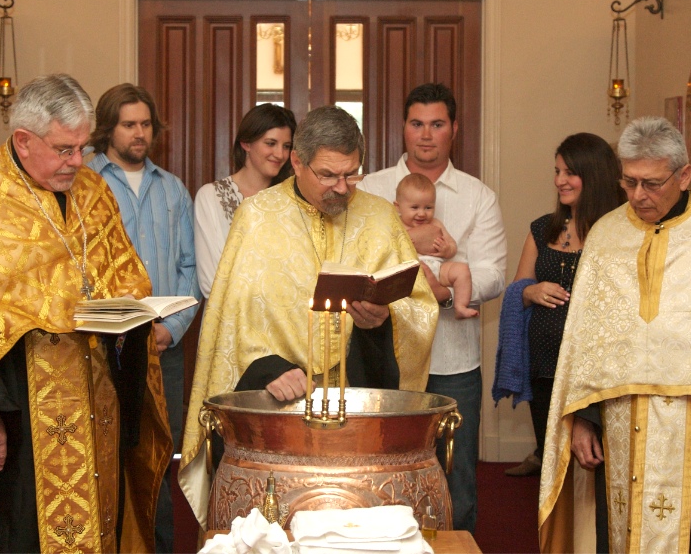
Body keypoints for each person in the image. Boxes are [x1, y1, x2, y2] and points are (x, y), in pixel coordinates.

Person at [0, 74, 171, 553]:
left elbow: (123, 271)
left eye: (83, 148)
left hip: (96, 398)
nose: (78, 162)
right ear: (24, 141)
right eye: (65, 149)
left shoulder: (92, 191)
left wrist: (130, 311)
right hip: (20, 409)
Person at [179, 105, 439, 527]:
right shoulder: (257, 216)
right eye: (328, 175)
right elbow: (232, 321)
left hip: (360, 411)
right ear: (297, 162)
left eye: (352, 174)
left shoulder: (380, 216)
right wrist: (268, 367)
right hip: (280, 415)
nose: (342, 188)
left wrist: (382, 321)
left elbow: (418, 307)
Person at [539, 116, 691, 553]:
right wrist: (581, 420)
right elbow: (587, 344)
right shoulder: (607, 235)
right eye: (629, 181)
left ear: (684, 175)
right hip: (619, 425)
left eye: (651, 183)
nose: (638, 195)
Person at [360, 82, 507, 533]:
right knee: (379, 476)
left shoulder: (477, 195)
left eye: (437, 124)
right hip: (383, 353)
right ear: (403, 128)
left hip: (452, 359)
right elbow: (355, 259)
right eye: (417, 123)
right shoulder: (370, 188)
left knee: (455, 478)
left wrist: (438, 292)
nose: (426, 135)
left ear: (454, 129)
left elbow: (492, 273)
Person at [88, 83, 201, 554]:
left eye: (146, 124)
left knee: (158, 459)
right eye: (129, 125)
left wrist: (170, 330)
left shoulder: (172, 189)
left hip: (162, 350)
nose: (140, 133)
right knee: (104, 458)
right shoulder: (84, 183)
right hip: (102, 349)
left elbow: (190, 270)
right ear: (108, 129)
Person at [502, 133, 623, 478]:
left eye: (570, 172)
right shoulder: (543, 228)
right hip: (544, 367)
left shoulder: (617, 232)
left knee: (594, 466)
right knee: (552, 465)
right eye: (557, 172)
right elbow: (518, 289)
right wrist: (532, 291)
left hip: (595, 372)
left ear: (594, 175)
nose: (560, 181)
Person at [194, 103, 296, 298]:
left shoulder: (292, 199)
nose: (280, 154)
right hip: (226, 315)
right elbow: (210, 282)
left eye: (286, 146)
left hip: (283, 315)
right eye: (270, 143)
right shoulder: (211, 197)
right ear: (246, 143)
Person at [393, 173, 477, 319]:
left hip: (438, 268)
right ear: (398, 207)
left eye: (428, 207)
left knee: (462, 269)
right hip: (411, 271)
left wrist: (446, 249)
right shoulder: (396, 225)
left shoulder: (436, 224)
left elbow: (452, 245)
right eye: (414, 207)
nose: (421, 213)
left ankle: (460, 306)